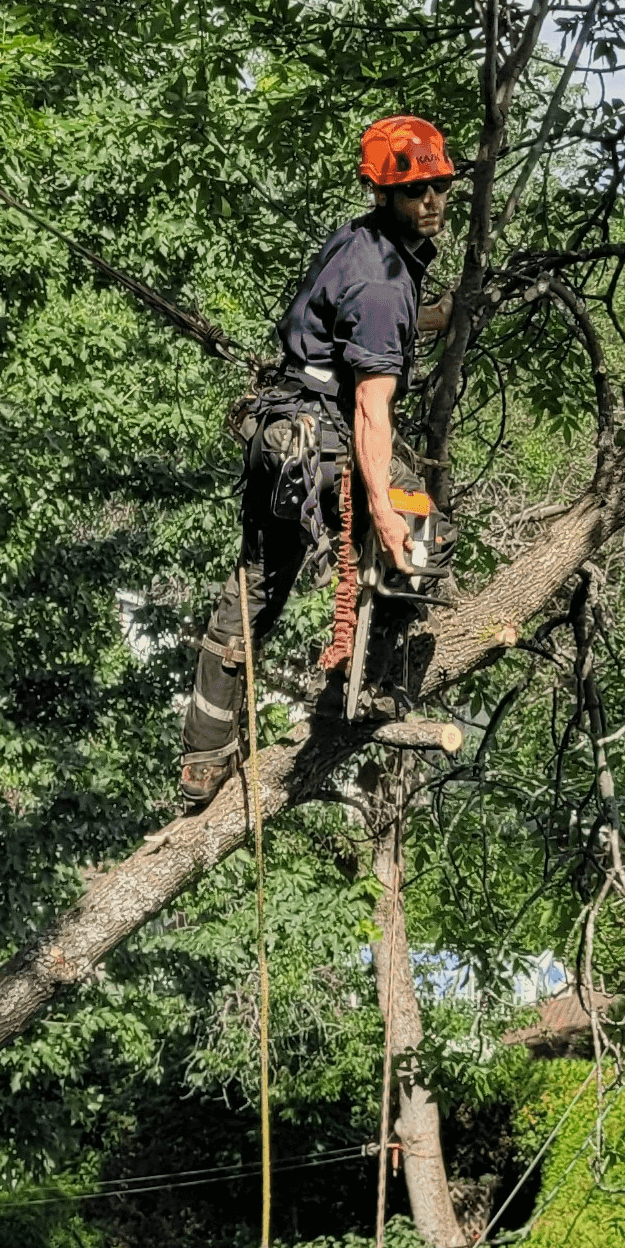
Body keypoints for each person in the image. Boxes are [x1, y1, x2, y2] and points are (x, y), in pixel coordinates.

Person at [178, 115, 455, 809]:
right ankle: (364, 690)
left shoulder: (359, 242)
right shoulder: (385, 283)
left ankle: (202, 760)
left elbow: (352, 319)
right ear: (384, 193)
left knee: (255, 589)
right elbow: (371, 415)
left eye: (439, 186)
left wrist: (444, 314)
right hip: (325, 442)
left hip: (278, 438)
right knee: (423, 531)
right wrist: (389, 518)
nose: (432, 201)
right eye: (416, 189)